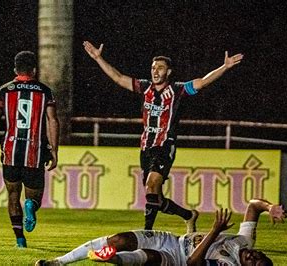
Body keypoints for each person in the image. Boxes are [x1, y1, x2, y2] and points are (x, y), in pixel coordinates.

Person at [83, 41, 244, 231]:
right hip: (146, 147)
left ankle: (147, 233)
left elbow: (202, 81)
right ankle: (188, 215)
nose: (155, 71)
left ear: (168, 72)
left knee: (152, 184)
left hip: (165, 144)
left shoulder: (177, 90)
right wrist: (98, 58)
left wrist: (224, 67)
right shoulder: (144, 88)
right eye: (153, 68)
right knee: (155, 198)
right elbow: (118, 78)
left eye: (160, 68)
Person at [35, 198, 287, 265]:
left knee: (148, 257)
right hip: (172, 239)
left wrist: (214, 231)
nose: (255, 256)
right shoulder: (244, 241)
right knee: (120, 238)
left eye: (256, 264)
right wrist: (270, 207)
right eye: (260, 255)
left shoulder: (228, 265)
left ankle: (110, 258)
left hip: (176, 260)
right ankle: (59, 262)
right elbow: (253, 206)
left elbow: (191, 263)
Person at [0, 51, 59, 248]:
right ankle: (31, 206)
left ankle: (20, 240)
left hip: (11, 151)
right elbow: (52, 120)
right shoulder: (45, 91)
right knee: (34, 197)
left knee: (12, 195)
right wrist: (54, 150)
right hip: (34, 152)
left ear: (15, 70)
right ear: (35, 70)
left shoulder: (5, 90)